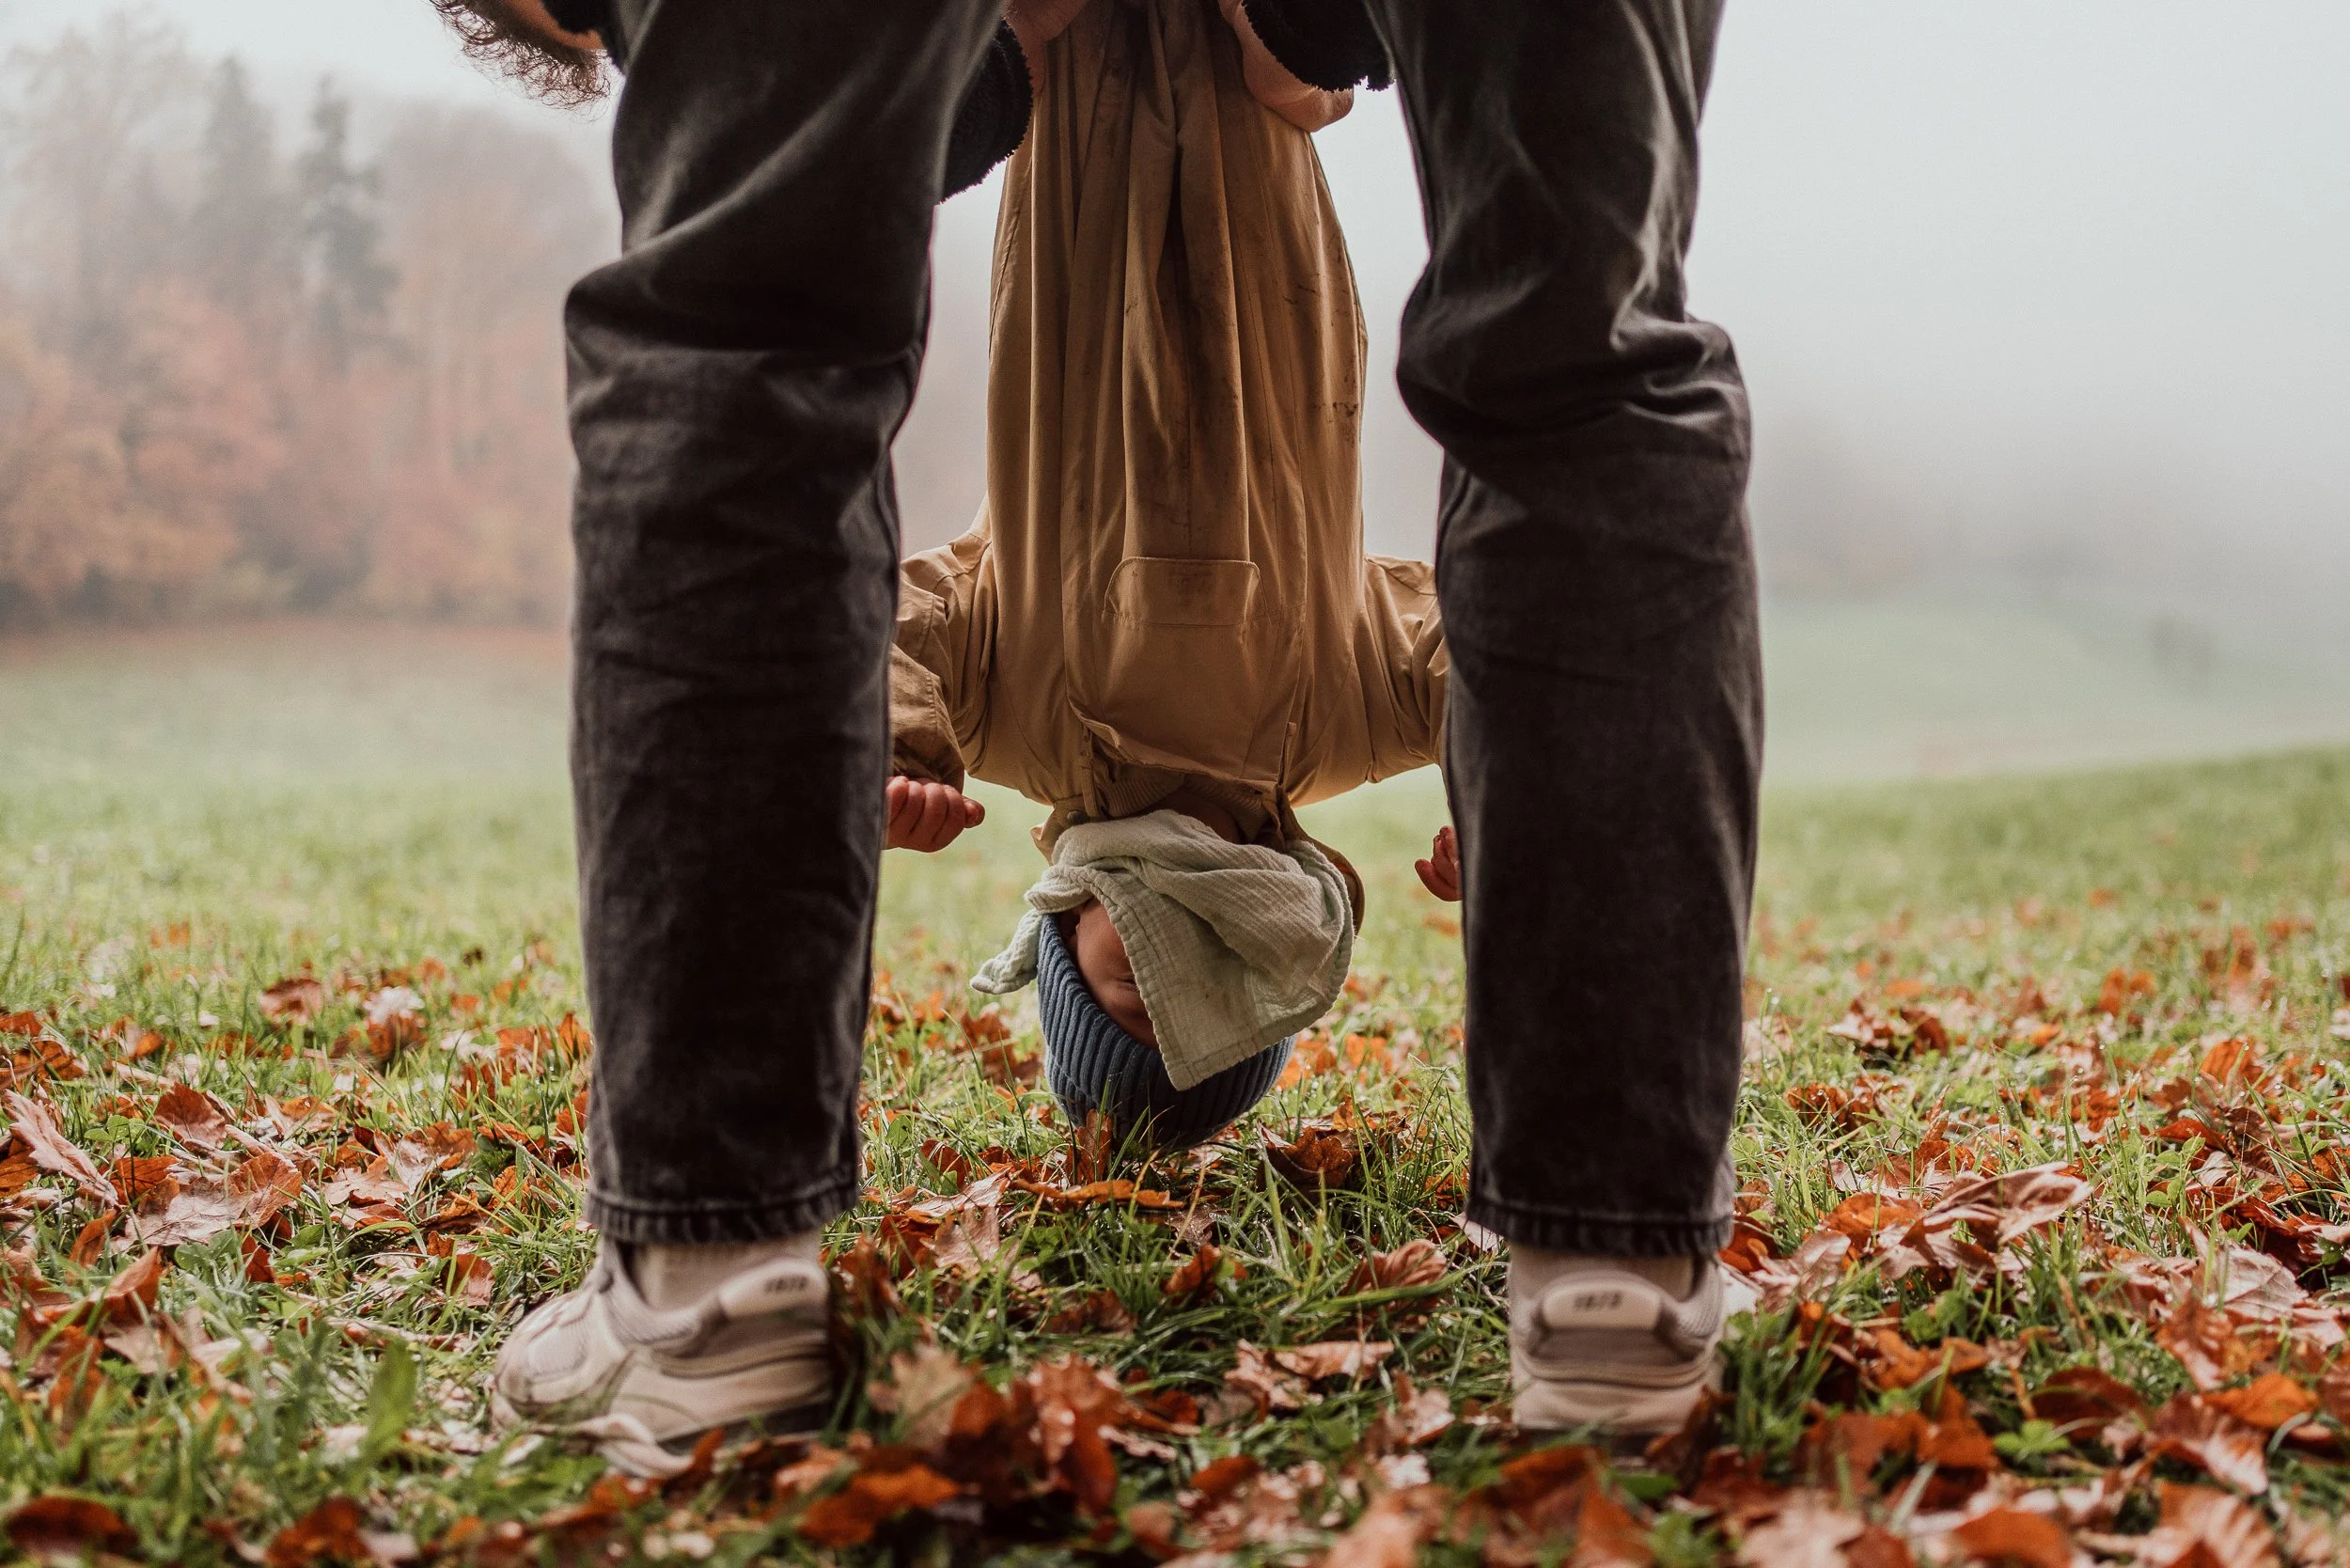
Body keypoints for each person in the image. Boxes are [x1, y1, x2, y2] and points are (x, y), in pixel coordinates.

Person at [443, 0, 1759, 1475]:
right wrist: (1511, 808)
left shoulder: (1034, 708)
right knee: (1578, 359)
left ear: (1071, 912)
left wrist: (894, 746)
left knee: (747, 332)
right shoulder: (1330, 716)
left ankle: (704, 1296)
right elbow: (1469, 651)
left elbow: (905, 622)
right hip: (1197, 64)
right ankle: (1612, 1285)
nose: (1165, 932)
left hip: (1068, 81)